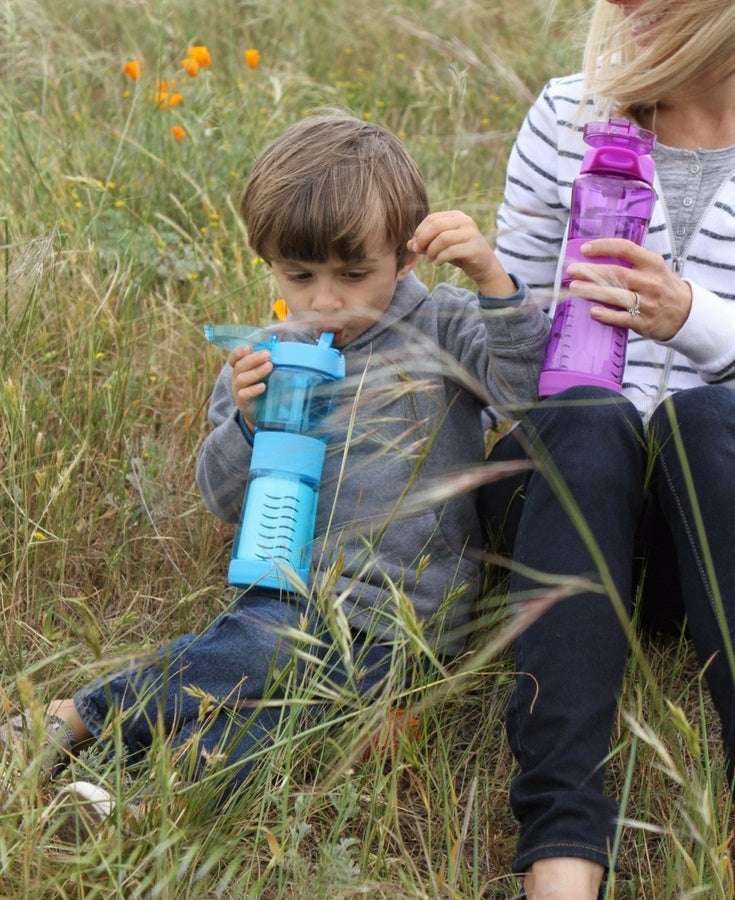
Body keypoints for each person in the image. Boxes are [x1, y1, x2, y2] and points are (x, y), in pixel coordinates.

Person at [1, 112, 549, 822]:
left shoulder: (441, 325)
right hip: (289, 596)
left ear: (405, 257)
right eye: (299, 275)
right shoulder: (263, 357)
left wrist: (490, 278)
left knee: (291, 719)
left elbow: (530, 398)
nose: (325, 300)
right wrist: (250, 419)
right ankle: (104, 759)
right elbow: (222, 497)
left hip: (409, 626)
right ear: (269, 265)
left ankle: (112, 761)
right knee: (262, 667)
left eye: (354, 274)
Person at [476, 1, 735, 897]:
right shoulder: (568, 113)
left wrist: (693, 322)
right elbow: (501, 369)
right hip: (567, 510)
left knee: (703, 422)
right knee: (587, 417)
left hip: (713, 526)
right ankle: (562, 857)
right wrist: (498, 294)